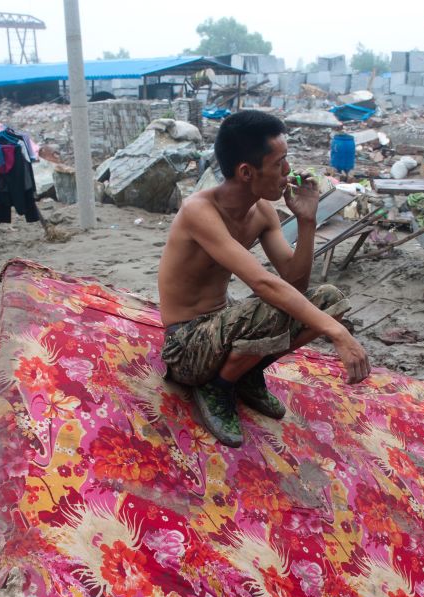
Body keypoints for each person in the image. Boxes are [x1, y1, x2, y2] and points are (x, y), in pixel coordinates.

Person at [157, 110, 370, 447]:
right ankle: (218, 386)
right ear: (246, 172)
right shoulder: (200, 211)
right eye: (279, 164)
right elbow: (264, 284)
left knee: (328, 300)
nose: (288, 173)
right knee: (276, 304)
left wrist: (307, 221)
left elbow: (295, 282)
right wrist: (337, 333)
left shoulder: (262, 212)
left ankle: (246, 373)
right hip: (186, 345)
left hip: (220, 328)